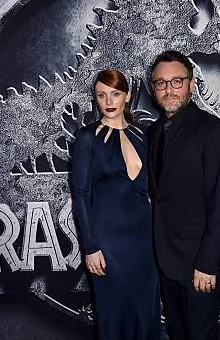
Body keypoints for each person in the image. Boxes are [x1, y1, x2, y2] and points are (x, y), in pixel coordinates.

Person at [72, 69, 160, 340]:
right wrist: (91, 247)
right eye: (101, 95)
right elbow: (81, 196)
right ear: (95, 99)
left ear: (127, 97)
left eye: (115, 94)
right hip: (108, 244)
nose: (109, 100)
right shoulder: (87, 139)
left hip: (145, 242)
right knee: (114, 317)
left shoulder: (145, 134)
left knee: (147, 314)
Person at [147, 50, 220, 340]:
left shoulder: (213, 131)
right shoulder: (154, 132)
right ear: (153, 88)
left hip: (199, 263)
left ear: (192, 84)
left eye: (177, 81)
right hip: (167, 260)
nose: (169, 89)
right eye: (161, 83)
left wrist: (208, 262)